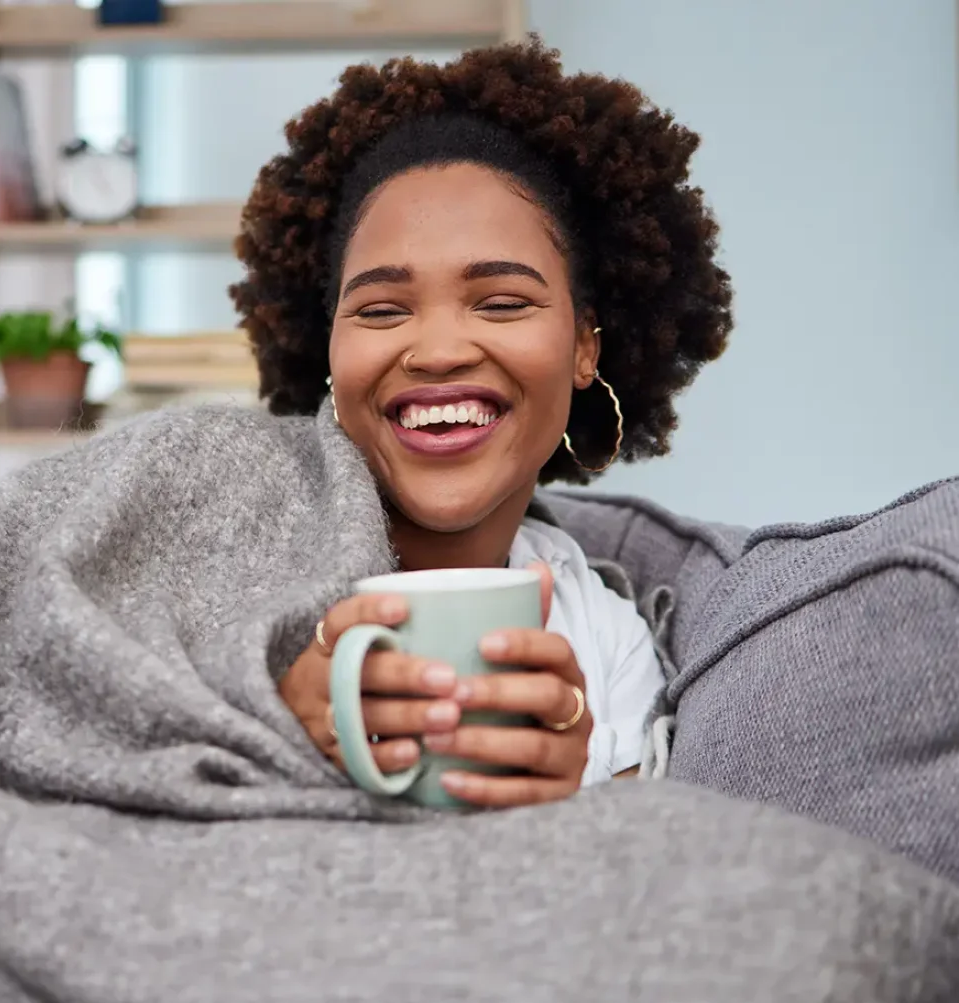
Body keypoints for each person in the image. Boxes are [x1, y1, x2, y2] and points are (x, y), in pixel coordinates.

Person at [234, 37, 733, 808]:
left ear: (583, 347)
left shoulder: (604, 639)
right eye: (381, 309)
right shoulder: (240, 570)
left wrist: (568, 805)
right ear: (327, 350)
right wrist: (266, 729)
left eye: (501, 301)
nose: (437, 351)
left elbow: (644, 883)